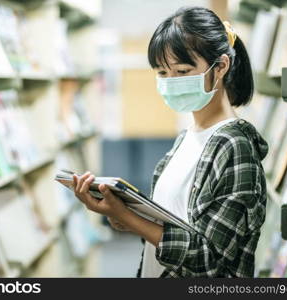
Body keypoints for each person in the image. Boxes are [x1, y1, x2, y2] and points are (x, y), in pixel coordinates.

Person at [72, 6, 269, 278]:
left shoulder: (235, 146)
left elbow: (210, 261)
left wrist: (130, 218)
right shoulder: (187, 137)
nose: (171, 82)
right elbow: (174, 227)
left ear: (221, 66)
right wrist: (125, 217)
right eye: (162, 73)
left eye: (183, 70)